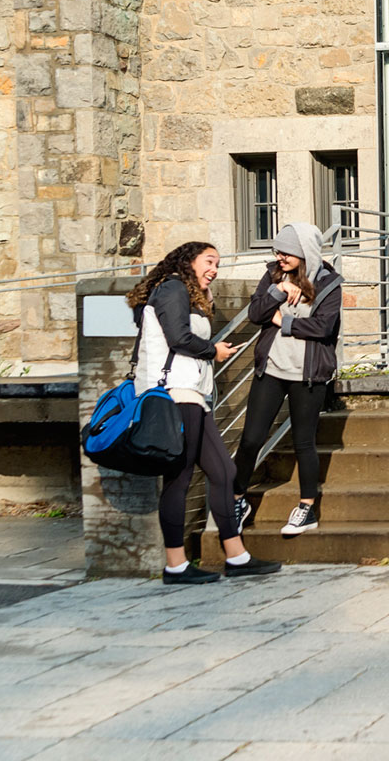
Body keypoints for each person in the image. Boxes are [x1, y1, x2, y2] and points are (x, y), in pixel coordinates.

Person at [126, 242, 279, 585]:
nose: (214, 268)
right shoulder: (173, 287)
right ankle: (176, 565)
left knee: (223, 471)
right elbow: (179, 338)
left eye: (218, 264)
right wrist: (213, 350)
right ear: (187, 261)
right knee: (179, 478)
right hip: (175, 395)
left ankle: (237, 557)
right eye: (209, 261)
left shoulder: (185, 291)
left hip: (193, 395)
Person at [231, 223, 342, 538]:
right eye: (276, 251)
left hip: (307, 375)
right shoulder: (273, 275)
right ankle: (237, 501)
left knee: (304, 442)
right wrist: (278, 291)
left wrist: (284, 320)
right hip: (272, 369)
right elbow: (255, 313)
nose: (279, 256)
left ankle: (307, 508)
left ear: (304, 251)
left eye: (285, 252)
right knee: (251, 438)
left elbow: (323, 328)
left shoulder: (330, 283)